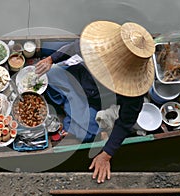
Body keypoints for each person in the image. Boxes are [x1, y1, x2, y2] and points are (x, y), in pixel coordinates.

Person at [35, 20, 155, 183]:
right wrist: (50, 59)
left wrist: (106, 155)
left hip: (94, 102)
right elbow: (72, 48)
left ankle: (71, 106)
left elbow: (125, 122)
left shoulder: (133, 88)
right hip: (76, 78)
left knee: (85, 134)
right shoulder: (97, 44)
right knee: (45, 76)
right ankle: (70, 105)